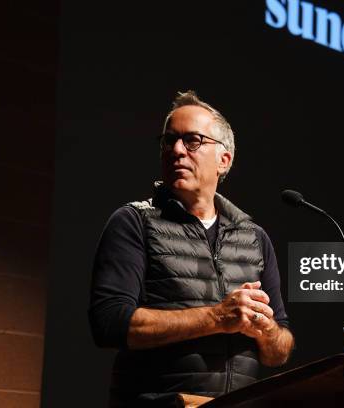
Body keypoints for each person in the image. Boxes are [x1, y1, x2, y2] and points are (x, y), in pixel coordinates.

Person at [89, 91, 294, 407]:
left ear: (224, 160)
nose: (176, 150)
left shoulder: (254, 237)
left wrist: (265, 329)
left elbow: (279, 350)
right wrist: (217, 317)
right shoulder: (134, 222)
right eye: (168, 141)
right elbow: (109, 323)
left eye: (192, 141)